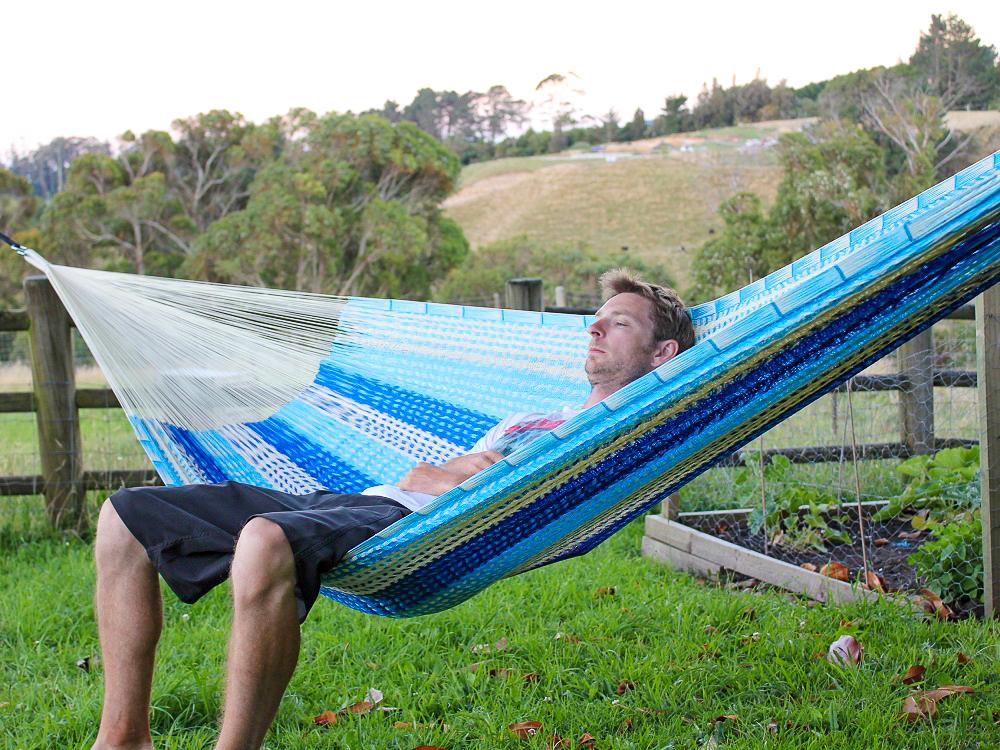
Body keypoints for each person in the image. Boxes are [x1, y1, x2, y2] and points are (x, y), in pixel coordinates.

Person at [91, 268, 695, 750]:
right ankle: (122, 738)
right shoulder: (532, 419)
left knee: (264, 539)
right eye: (594, 321)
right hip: (363, 500)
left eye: (616, 324)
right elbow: (441, 471)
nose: (593, 331)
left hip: (414, 526)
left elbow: (477, 484)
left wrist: (453, 473)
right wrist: (451, 472)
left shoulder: (616, 432)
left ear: (662, 353)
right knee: (125, 515)